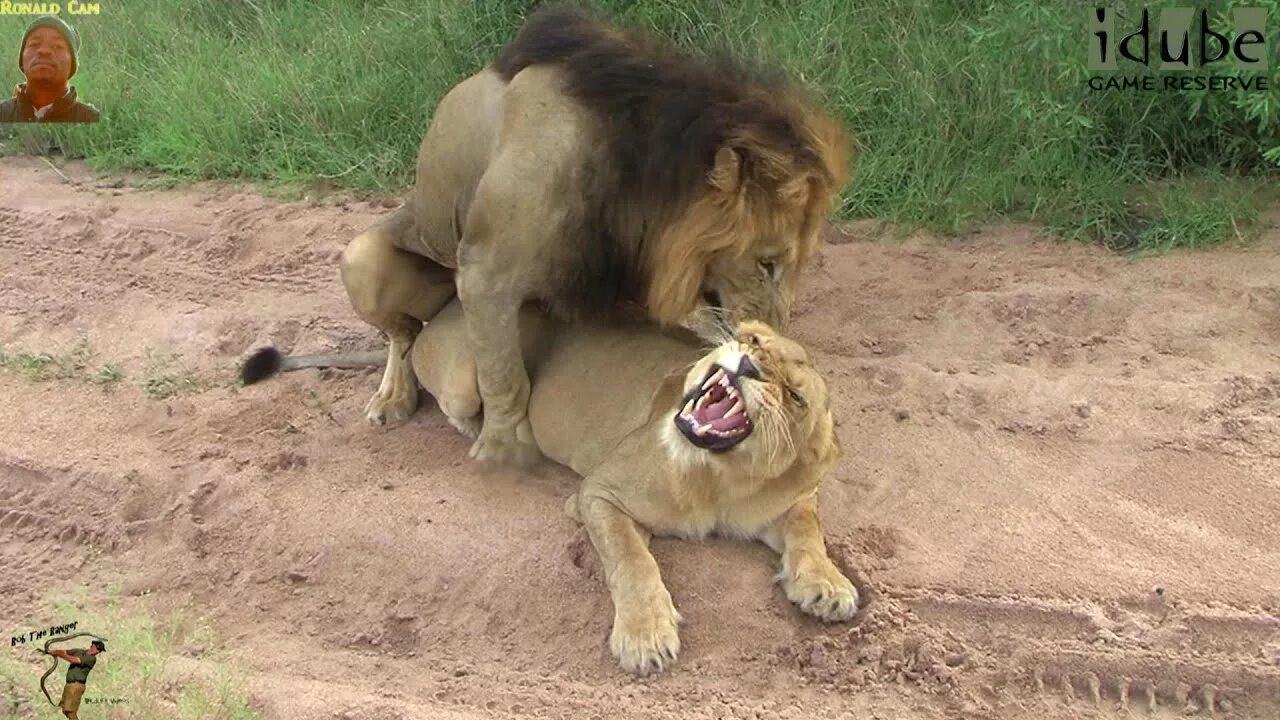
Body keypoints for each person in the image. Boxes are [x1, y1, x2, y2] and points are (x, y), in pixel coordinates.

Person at [0, 15, 99, 123]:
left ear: (73, 64)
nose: (44, 50)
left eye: (57, 46)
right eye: (34, 44)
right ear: (22, 60)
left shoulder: (91, 118)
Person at [46, 640, 104, 720]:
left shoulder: (91, 659)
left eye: (99, 650)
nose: (98, 651)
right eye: (97, 648)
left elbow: (74, 660)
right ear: (93, 645)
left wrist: (60, 654)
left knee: (70, 711)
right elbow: (65, 651)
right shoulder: (79, 651)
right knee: (65, 710)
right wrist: (53, 652)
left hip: (77, 686)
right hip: (69, 685)